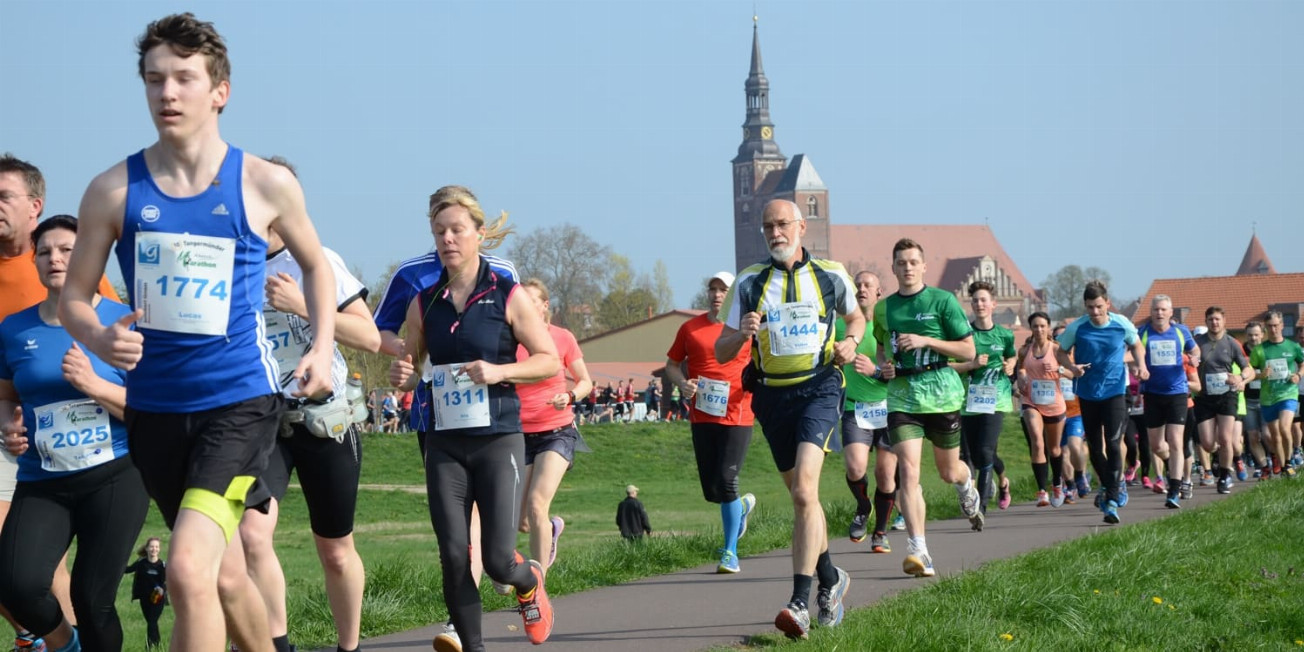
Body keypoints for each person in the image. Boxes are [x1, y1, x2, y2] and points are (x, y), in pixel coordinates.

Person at [59, 14, 339, 651]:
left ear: (220, 91)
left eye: (185, 78)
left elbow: (318, 266)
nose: (168, 94)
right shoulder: (112, 190)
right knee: (227, 575)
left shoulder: (264, 183)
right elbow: (76, 297)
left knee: (187, 571)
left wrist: (322, 346)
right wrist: (100, 340)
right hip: (155, 411)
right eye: (155, 80)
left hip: (239, 405)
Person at [388, 186, 558, 651]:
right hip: (445, 442)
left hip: (498, 438)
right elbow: (409, 366)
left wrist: (500, 370)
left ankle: (529, 583)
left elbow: (548, 360)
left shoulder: (507, 293)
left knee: (500, 560)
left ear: (479, 235)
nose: (448, 239)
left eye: (457, 230)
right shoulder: (423, 302)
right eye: (440, 231)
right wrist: (401, 374)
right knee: (452, 555)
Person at [236, 155, 380, 652]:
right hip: (259, 422)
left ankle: (349, 647)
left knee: (335, 551)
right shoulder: (234, 263)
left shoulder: (317, 260)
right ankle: (276, 643)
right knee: (252, 536)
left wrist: (304, 306)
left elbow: (370, 337)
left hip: (324, 420)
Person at [0, 216, 151, 651]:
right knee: (15, 583)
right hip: (42, 479)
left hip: (116, 474)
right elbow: (5, 396)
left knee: (92, 598)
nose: (55, 259)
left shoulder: (123, 321)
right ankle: (66, 644)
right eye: (44, 252)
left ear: (89, 255)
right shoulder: (15, 329)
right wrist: (8, 424)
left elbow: (153, 411)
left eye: (67, 250)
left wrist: (93, 385)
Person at [715, 199, 859, 639]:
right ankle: (832, 579)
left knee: (804, 491)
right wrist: (741, 333)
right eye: (767, 227)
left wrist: (851, 342)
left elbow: (857, 316)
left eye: (782, 224)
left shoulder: (832, 274)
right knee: (804, 502)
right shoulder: (749, 282)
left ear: (801, 227)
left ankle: (799, 603)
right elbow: (721, 351)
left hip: (819, 386)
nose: (775, 232)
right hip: (772, 396)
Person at [873, 238, 983, 580]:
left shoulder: (942, 301)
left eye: (913, 262)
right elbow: (881, 349)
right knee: (908, 472)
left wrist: (926, 341)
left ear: (923, 266)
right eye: (901, 263)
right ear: (893, 268)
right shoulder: (884, 308)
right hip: (902, 396)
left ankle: (967, 486)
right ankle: (918, 549)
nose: (907, 268)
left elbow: (968, 351)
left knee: (949, 472)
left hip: (941, 394)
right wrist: (885, 366)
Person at [664, 271, 758, 573]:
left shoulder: (747, 328)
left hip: (739, 411)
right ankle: (741, 509)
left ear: (733, 296)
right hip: (703, 412)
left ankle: (730, 552)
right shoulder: (690, 328)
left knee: (728, 481)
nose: (717, 294)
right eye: (712, 289)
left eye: (723, 290)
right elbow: (672, 365)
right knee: (714, 489)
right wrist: (683, 384)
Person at [515, 278, 592, 573]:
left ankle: (538, 587)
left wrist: (570, 395)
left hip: (557, 431)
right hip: (519, 435)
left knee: (536, 504)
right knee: (522, 521)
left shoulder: (562, 337)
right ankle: (551, 530)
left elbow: (586, 381)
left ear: (544, 305)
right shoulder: (510, 340)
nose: (522, 305)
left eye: (530, 300)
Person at [1056, 281, 1143, 523]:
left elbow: (1137, 345)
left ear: (1107, 304)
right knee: (1095, 448)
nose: (1094, 312)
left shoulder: (1120, 324)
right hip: (1087, 392)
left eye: (1098, 307)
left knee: (1114, 444)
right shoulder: (1078, 327)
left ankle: (1112, 498)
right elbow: (1060, 352)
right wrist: (1072, 367)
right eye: (1089, 308)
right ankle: (1110, 484)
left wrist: (1141, 366)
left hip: (1115, 391)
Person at [836, 271, 899, 552]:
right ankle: (864, 506)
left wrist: (875, 371)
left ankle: (880, 533)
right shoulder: (841, 327)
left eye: (867, 285)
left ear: (878, 292)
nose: (861, 289)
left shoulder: (888, 328)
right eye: (856, 285)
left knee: (886, 475)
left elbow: (899, 372)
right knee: (855, 467)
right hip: (855, 407)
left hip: (889, 407)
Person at [953, 281, 1017, 514]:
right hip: (970, 403)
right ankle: (1002, 478)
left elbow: (1012, 356)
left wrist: (1010, 365)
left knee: (985, 452)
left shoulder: (1005, 335)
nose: (979, 304)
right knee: (978, 455)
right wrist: (970, 364)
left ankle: (981, 507)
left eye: (983, 300)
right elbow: (952, 366)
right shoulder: (965, 337)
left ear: (993, 304)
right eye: (975, 300)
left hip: (996, 399)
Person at [1137, 295, 1199, 509]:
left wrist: (1195, 357)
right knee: (1157, 445)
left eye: (1163, 309)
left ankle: (1174, 490)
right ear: (1151, 311)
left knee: (1175, 441)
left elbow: (1194, 349)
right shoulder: (1143, 333)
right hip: (1152, 393)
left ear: (1171, 312)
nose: (1159, 313)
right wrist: (1139, 367)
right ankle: (1176, 469)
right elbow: (1134, 353)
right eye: (1156, 309)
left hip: (1177, 393)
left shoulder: (1181, 331)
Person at [1194, 307, 1255, 494]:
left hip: (1227, 395)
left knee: (1226, 438)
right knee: (1207, 443)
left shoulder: (1232, 343)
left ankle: (1225, 475)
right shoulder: (1197, 343)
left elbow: (1248, 368)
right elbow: (1186, 361)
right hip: (1204, 397)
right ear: (1206, 321)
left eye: (1218, 319)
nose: (1214, 323)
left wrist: (1241, 378)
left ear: (1224, 321)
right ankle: (1221, 457)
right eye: (1211, 319)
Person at [1016, 312, 1071, 507]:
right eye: (1035, 326)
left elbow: (1073, 373)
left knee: (1055, 449)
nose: (1038, 330)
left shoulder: (1057, 350)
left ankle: (1057, 483)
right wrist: (1021, 377)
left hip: (1054, 404)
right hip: (1031, 401)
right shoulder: (1025, 351)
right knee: (1038, 443)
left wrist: (1059, 370)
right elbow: (1019, 368)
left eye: (1042, 326)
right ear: (1030, 329)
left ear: (1048, 328)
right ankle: (1041, 491)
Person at [1249, 310, 1304, 479]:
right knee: (1275, 435)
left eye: (1276, 326)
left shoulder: (1292, 346)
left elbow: (1302, 363)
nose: (1273, 329)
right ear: (1265, 328)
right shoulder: (1259, 350)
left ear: (1282, 326)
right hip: (1268, 397)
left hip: (1288, 393)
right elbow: (1250, 371)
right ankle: (1283, 465)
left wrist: (1298, 375)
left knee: (1284, 428)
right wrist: (1260, 375)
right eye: (1269, 326)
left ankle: (1288, 463)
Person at [125, 537, 168, 648]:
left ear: (159, 549)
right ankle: (158, 644)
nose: (154, 549)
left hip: (157, 598)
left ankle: (149, 646)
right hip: (144, 598)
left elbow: (167, 581)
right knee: (151, 622)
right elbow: (127, 570)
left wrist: (162, 588)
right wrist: (114, 563)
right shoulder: (141, 563)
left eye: (157, 547)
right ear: (147, 548)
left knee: (152, 621)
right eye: (152, 546)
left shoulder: (162, 565)